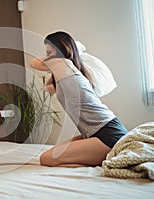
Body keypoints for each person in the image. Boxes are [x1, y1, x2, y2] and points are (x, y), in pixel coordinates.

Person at [30, 31, 127, 167]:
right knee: (51, 154)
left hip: (108, 134)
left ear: (61, 52)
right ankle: (95, 161)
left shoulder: (64, 64)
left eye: (49, 53)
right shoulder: (70, 73)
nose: (47, 58)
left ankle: (99, 164)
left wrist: (58, 59)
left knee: (46, 159)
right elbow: (48, 87)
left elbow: (33, 63)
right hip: (96, 133)